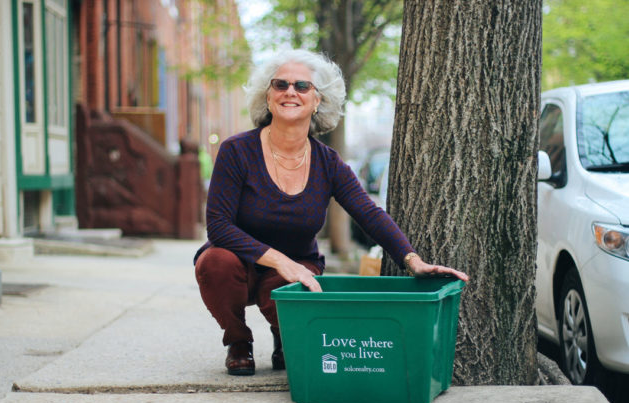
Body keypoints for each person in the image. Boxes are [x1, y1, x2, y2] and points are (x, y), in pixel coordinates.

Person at [193, 49, 469, 376]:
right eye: (280, 85)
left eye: (302, 86)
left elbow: (368, 212)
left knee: (288, 286)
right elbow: (219, 227)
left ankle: (285, 337)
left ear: (317, 101)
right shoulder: (237, 151)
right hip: (241, 260)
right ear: (267, 98)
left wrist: (412, 261)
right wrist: (281, 260)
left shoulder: (328, 162)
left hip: (295, 268)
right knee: (215, 262)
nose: (290, 92)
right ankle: (238, 341)